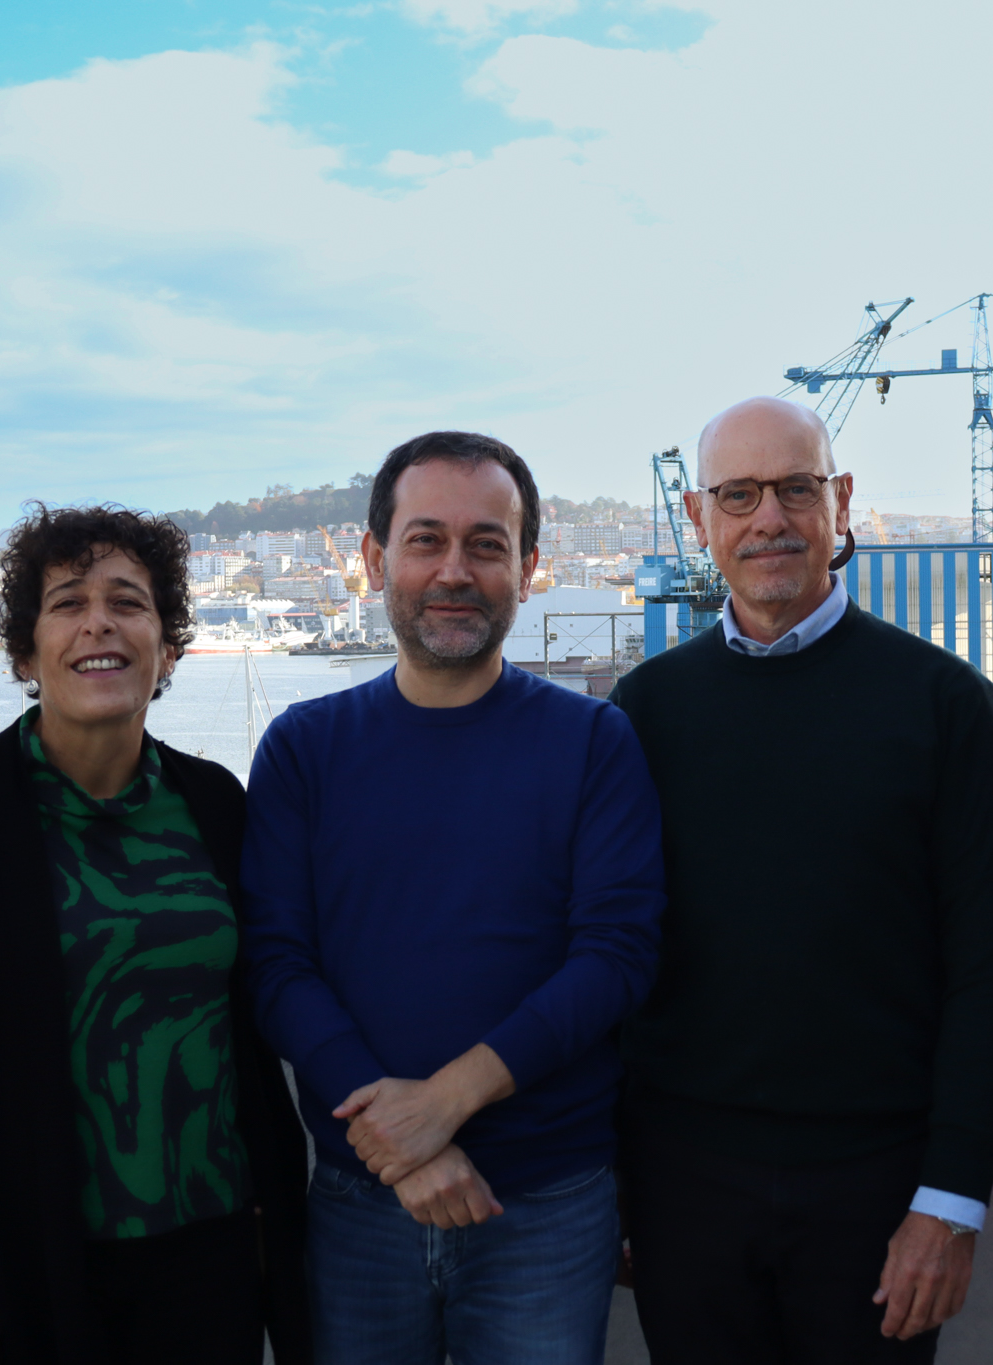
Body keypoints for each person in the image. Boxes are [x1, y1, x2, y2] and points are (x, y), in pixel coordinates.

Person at [608, 397, 993, 1363]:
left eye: (796, 488)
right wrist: (623, 1184)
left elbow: (987, 964)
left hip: (880, 1187)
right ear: (699, 513)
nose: (769, 518)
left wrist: (952, 1199)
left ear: (839, 502)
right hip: (685, 1186)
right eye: (740, 494)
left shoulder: (941, 702)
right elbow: (615, 955)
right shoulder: (646, 710)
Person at [241, 431, 666, 1365]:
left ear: (529, 566)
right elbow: (275, 962)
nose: (455, 570)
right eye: (426, 539)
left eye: (487, 543)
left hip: (548, 1203)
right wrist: (406, 1141)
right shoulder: (304, 750)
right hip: (360, 1202)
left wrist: (445, 1103)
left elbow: (617, 955)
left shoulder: (594, 741)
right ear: (373, 558)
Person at [0, 504, 311, 1365]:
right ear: (26, 654)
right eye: (67, 601)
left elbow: (248, 1036)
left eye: (128, 602)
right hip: (23, 1264)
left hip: (210, 1260)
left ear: (168, 647)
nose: (98, 620)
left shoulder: (216, 804)